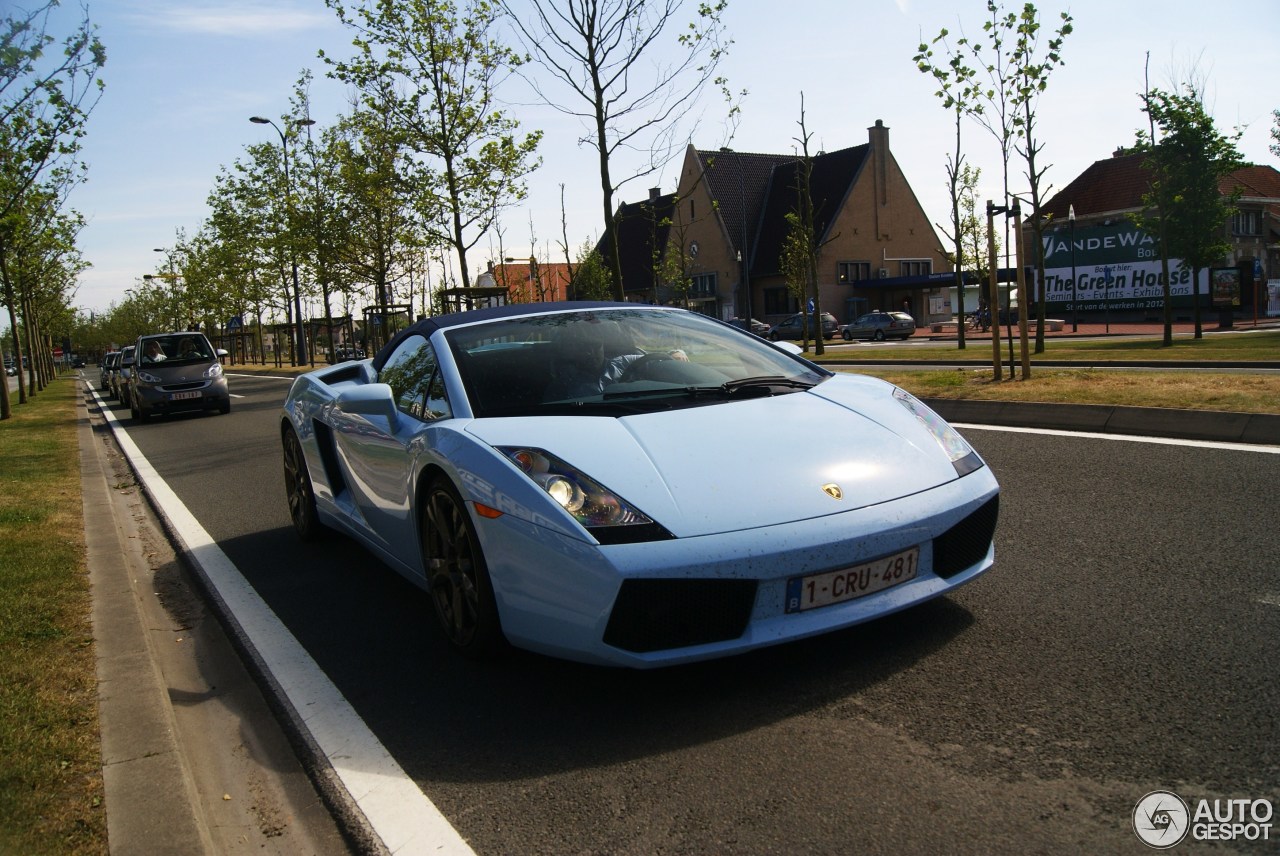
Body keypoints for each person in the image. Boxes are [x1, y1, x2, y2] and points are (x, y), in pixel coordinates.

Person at [545, 322, 686, 400]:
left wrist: (675, 354)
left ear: (603, 346)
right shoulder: (565, 381)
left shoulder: (625, 362)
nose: (592, 353)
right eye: (585, 347)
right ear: (575, 350)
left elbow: (655, 360)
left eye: (596, 346)